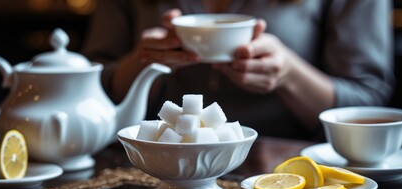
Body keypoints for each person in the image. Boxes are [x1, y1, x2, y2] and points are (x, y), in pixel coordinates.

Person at [81, 0, 395, 140]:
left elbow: (370, 101)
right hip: (153, 171)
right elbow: (88, 90)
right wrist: (142, 61)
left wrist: (289, 75)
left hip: (288, 182)